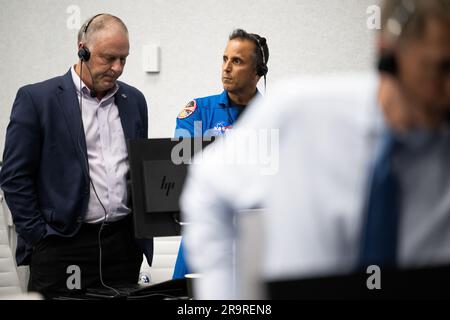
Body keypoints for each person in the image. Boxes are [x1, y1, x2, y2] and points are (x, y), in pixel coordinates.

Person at [180, 0, 450, 299]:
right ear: (389, 55)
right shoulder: (301, 114)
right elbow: (205, 185)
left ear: (259, 72)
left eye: (237, 61)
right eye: (441, 68)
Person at [0, 13, 152, 298]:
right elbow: (14, 177)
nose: (117, 68)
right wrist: (40, 237)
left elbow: (138, 170)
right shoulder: (38, 99)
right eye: (109, 58)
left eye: (124, 59)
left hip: (121, 247)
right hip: (62, 246)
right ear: (82, 49)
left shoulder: (135, 101)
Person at [172, 29, 269, 279]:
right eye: (225, 59)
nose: (226, 68)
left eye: (237, 61)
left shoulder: (273, 116)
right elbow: (182, 163)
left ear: (258, 72)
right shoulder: (198, 111)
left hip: (258, 240)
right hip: (205, 235)